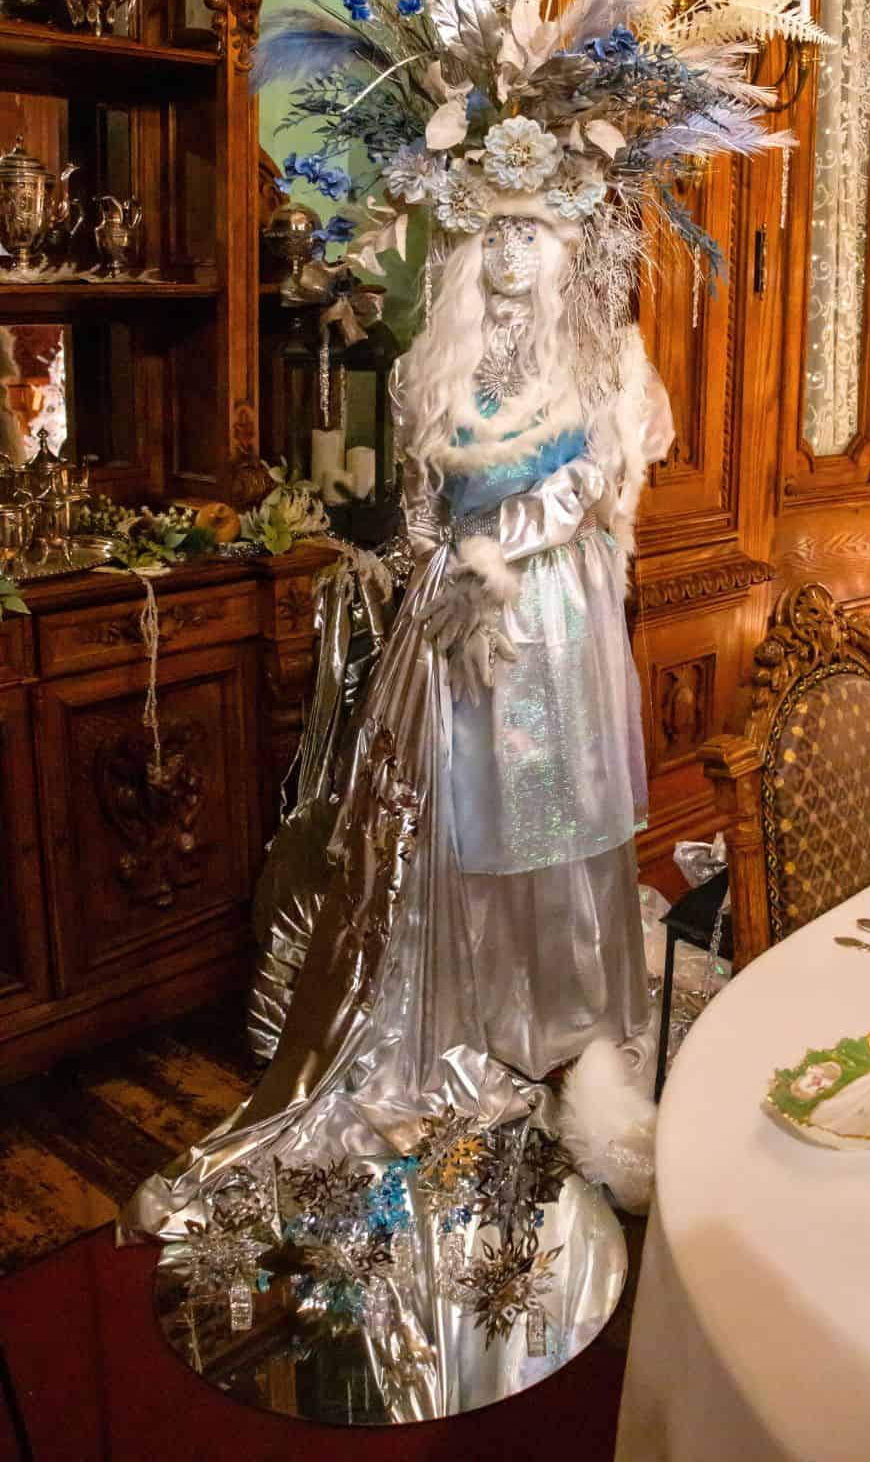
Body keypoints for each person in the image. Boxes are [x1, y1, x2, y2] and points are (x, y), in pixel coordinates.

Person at [122, 189, 672, 1239]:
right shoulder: (440, 364)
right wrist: (439, 574)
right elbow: (421, 503)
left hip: (552, 618)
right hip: (454, 629)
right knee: (452, 828)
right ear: (471, 243)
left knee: (554, 818)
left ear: (561, 247)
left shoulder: (602, 359)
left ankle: (564, 1024)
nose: (511, 254)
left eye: (532, 231)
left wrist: (495, 555)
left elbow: (595, 477)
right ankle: (465, 1016)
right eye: (493, 230)